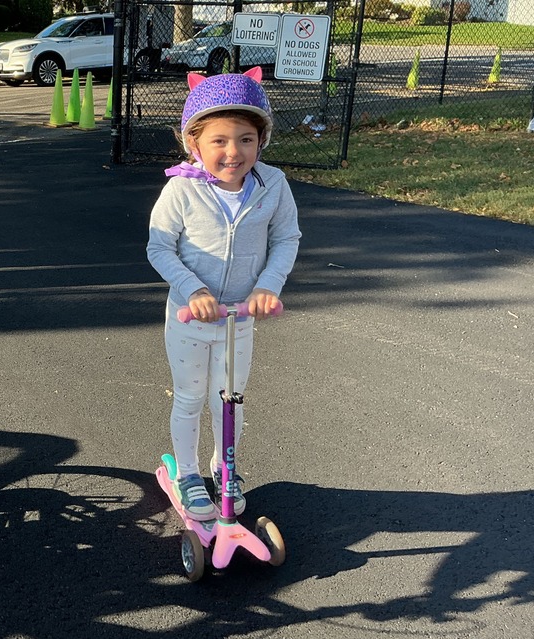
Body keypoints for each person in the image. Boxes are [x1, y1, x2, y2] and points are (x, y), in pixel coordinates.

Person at [147, 68, 300, 521]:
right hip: (190, 321)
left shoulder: (273, 186)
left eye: (246, 139)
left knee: (229, 398)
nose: (233, 152)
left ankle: (225, 468)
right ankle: (189, 474)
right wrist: (192, 288)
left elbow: (286, 239)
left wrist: (268, 286)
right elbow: (159, 245)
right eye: (219, 140)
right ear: (195, 143)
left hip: (239, 319)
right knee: (191, 397)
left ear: (261, 140)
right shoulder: (182, 188)